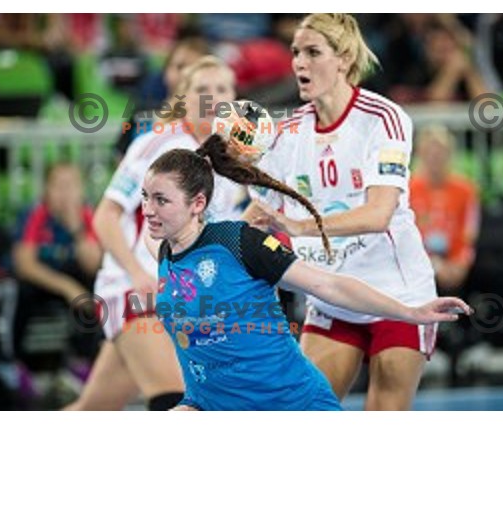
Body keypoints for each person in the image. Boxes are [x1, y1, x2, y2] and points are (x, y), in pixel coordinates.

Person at [142, 137, 470, 411]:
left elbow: (327, 284)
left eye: (161, 200)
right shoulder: (166, 253)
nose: (148, 210)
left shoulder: (239, 242)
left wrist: (410, 311)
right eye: (145, 197)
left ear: (197, 204)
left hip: (289, 406)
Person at [243, 13, 441, 410]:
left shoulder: (384, 119)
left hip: (398, 297)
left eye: (313, 52)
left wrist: (299, 227)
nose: (299, 62)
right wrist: (211, 253)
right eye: (296, 52)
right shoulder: (287, 134)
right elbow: (259, 213)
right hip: (333, 299)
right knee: (304, 412)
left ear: (345, 59)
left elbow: (378, 214)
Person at [64, 56, 246, 410]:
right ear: (183, 95)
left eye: (222, 89)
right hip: (136, 289)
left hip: (181, 300)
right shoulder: (159, 143)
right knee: (178, 401)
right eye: (202, 89)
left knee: (91, 410)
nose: (213, 98)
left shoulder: (230, 156)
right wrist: (136, 273)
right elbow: (104, 216)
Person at [12, 162, 103, 370]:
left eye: (72, 186)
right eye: (59, 186)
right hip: (45, 283)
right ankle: (17, 364)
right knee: (22, 290)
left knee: (96, 287)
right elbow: (24, 265)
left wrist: (76, 228)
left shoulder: (89, 215)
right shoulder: (35, 215)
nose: (66, 194)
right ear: (47, 190)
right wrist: (66, 288)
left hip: (76, 283)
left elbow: (93, 264)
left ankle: (84, 361)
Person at [410, 125, 480, 294]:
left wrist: (460, 264)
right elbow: (406, 234)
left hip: (456, 262)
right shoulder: (408, 189)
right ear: (420, 154)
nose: (435, 157)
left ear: (450, 154)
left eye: (440, 152)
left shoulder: (466, 190)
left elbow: (469, 233)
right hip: (419, 262)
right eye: (429, 152)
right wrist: (434, 264)